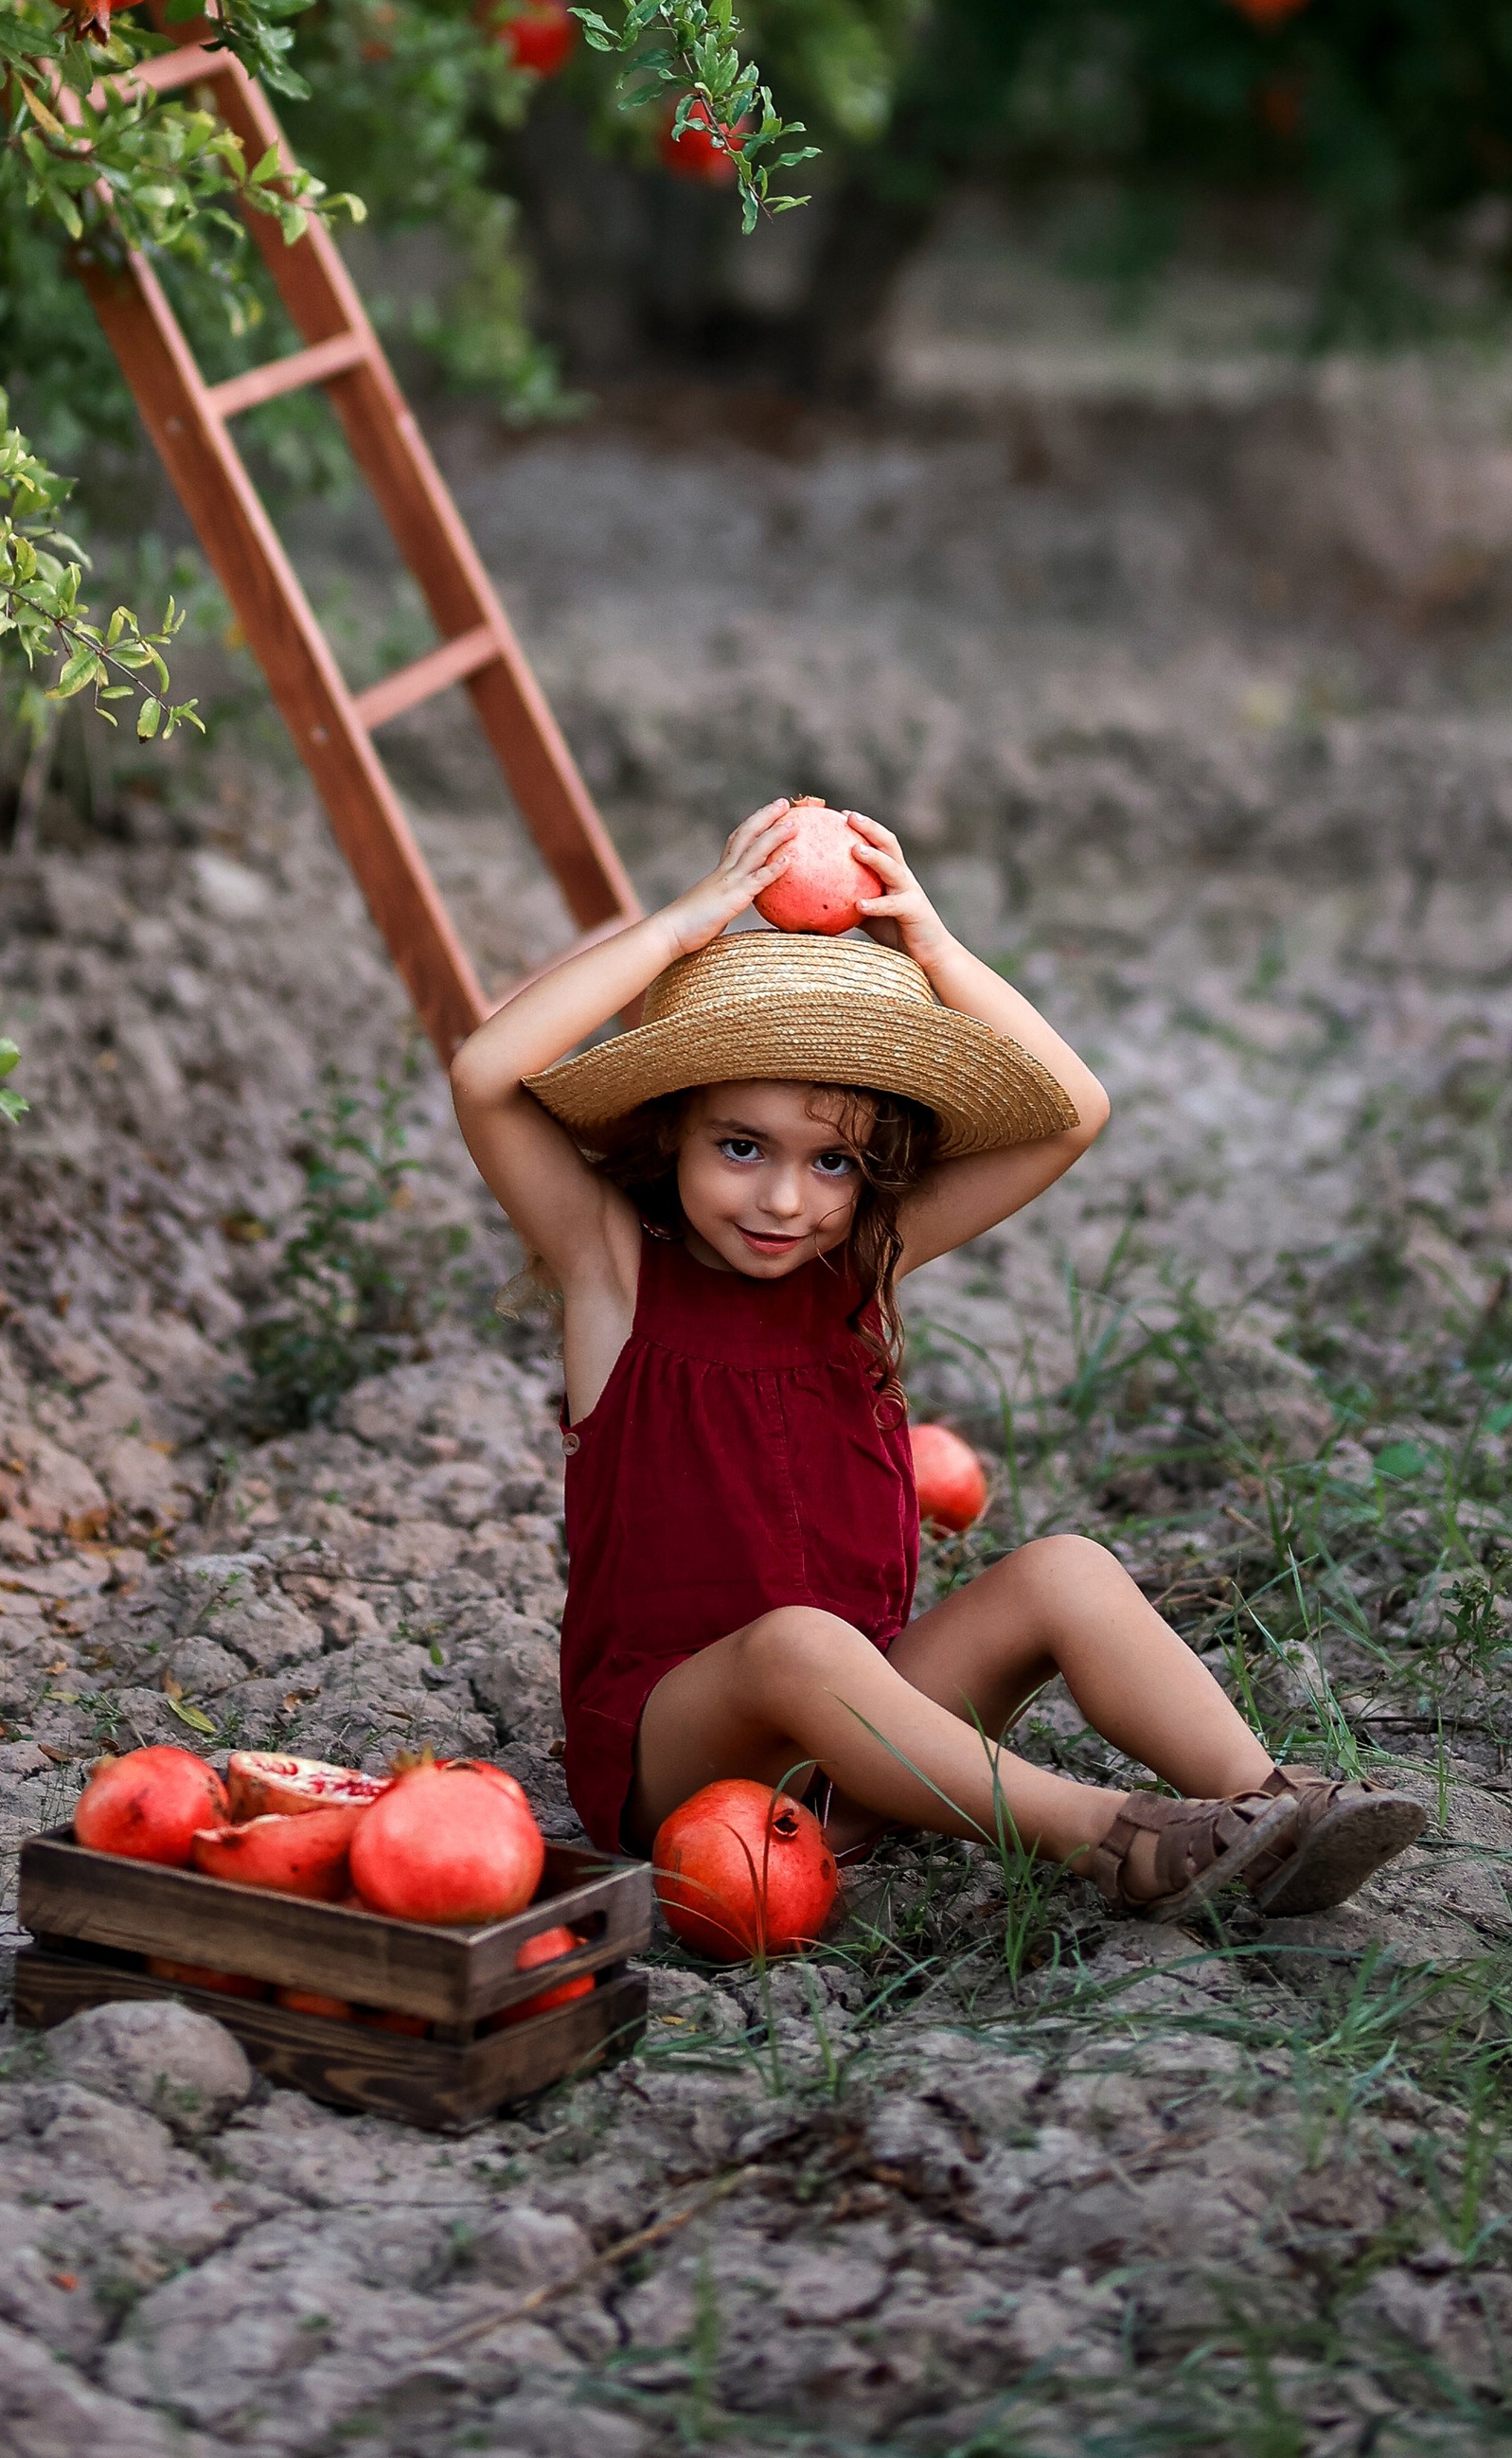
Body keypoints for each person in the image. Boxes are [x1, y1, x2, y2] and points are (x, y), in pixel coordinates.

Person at [450, 800, 1425, 1921]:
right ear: (668, 1130)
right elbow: (486, 1072)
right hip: (683, 1774)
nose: (783, 1197)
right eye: (739, 1146)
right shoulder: (612, 1274)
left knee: (1065, 1567)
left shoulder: (856, 1271)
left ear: (873, 1176)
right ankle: (1112, 1840)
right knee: (798, 1645)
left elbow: (1072, 1109)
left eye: (833, 1163)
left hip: (878, 1757)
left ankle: (1271, 1811)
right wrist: (681, 929)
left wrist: (934, 946)